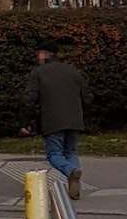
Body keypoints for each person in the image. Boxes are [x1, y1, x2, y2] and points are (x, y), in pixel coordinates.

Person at [20, 39, 92, 200]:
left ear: (46, 54)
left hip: (52, 120)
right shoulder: (73, 71)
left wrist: (26, 122)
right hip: (74, 119)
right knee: (70, 151)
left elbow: (28, 99)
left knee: (54, 154)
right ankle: (74, 180)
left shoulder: (38, 73)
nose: (37, 57)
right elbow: (87, 97)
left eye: (39, 54)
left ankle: (71, 171)